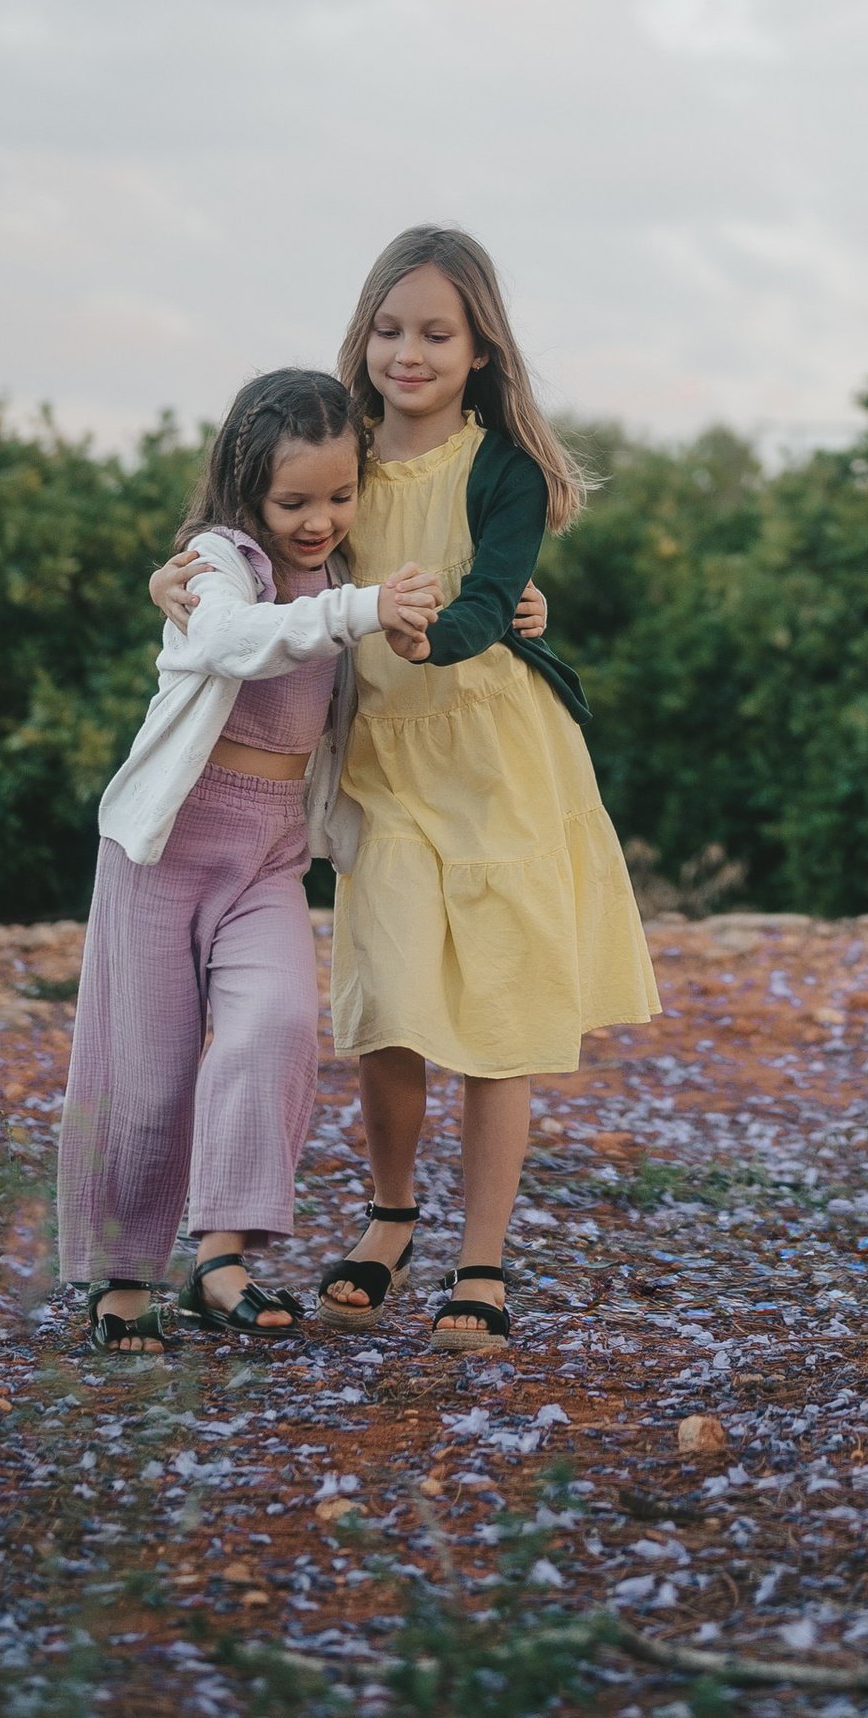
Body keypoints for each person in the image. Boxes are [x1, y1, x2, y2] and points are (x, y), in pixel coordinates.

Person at [151, 227, 660, 1355]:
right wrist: (169, 573)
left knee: (496, 1015)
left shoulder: (504, 467)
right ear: (363, 335)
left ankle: (482, 1261)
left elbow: (493, 591)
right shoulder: (343, 449)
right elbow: (253, 535)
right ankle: (390, 1217)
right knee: (387, 1003)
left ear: (481, 347)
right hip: (382, 762)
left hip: (494, 762)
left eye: (435, 331)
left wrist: (448, 632)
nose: (407, 351)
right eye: (388, 329)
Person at [60, 364, 458, 1348]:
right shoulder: (219, 561)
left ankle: (220, 1258)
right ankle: (121, 1281)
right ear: (248, 490)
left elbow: (433, 581)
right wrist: (359, 609)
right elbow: (240, 640)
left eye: (339, 496)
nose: (319, 520)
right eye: (294, 502)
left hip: (270, 848)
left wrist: (507, 605)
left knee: (276, 1022)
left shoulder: (343, 568)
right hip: (167, 844)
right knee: (146, 1073)